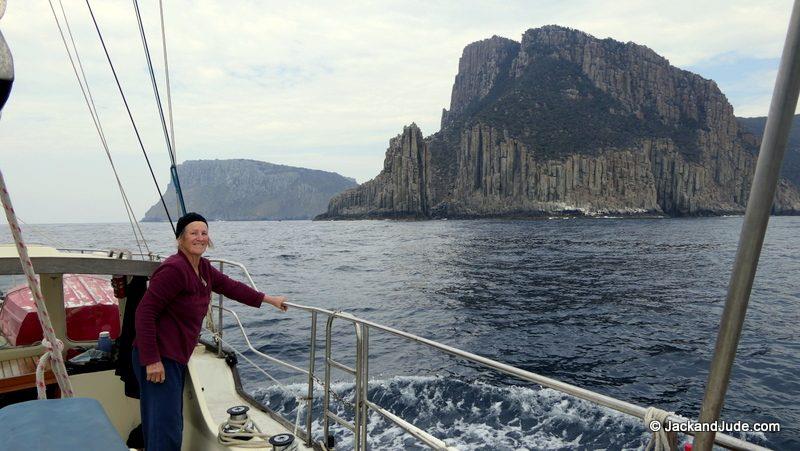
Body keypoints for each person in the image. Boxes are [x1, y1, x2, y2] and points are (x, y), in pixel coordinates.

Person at [132, 212, 287, 451]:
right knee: (166, 427)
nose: (200, 237)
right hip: (158, 356)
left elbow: (232, 287)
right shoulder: (174, 269)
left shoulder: (202, 267)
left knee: (168, 422)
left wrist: (269, 299)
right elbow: (144, 313)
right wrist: (152, 360)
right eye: (193, 233)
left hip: (175, 356)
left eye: (204, 233)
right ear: (180, 239)